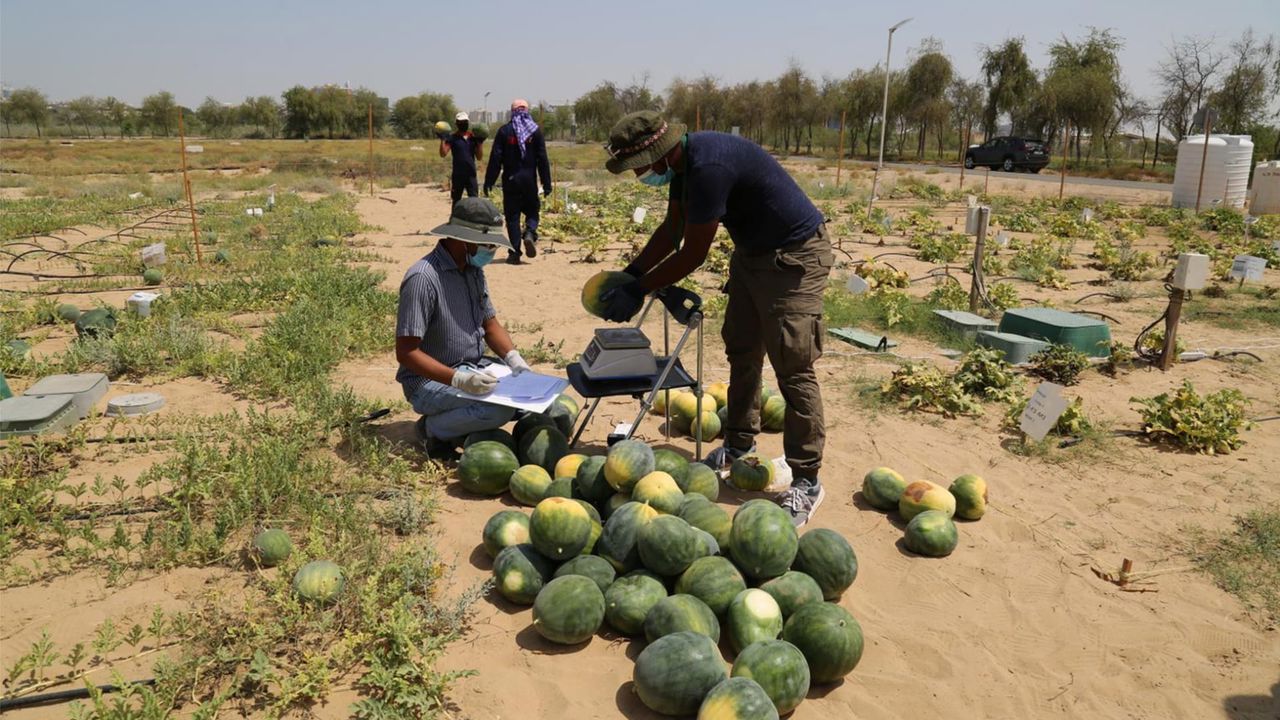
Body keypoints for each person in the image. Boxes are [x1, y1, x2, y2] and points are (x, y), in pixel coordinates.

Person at [599, 110, 832, 527]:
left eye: (638, 168)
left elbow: (693, 253)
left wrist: (640, 289)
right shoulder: (683, 165)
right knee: (743, 350)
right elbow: (673, 229)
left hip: (795, 256)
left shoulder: (708, 166)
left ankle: (807, 479)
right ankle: (739, 446)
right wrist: (632, 274)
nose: (637, 177)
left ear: (660, 155)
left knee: (792, 366)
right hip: (752, 257)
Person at [395, 197, 533, 459]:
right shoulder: (423, 279)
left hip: (474, 367)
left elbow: (490, 324)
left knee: (530, 400)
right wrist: (458, 380)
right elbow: (407, 353)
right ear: (462, 238)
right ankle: (431, 428)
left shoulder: (472, 271)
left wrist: (515, 361)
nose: (491, 251)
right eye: (488, 244)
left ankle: (461, 427)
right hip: (429, 381)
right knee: (498, 410)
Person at [484, 99, 552, 264]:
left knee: (512, 217)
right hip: (529, 180)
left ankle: (514, 253)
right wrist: (547, 183)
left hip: (511, 181)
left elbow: (495, 159)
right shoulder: (535, 132)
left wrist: (489, 181)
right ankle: (529, 231)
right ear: (527, 112)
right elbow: (543, 159)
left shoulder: (504, 131)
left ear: (512, 112)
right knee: (533, 211)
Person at [439, 111, 484, 206]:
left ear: (468, 123)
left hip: (471, 174)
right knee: (456, 201)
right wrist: (443, 139)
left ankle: (473, 220)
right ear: (457, 124)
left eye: (465, 122)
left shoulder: (473, 138)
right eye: (461, 122)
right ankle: (455, 220)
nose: (463, 124)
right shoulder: (452, 138)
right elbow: (443, 154)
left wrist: (480, 143)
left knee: (474, 200)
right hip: (458, 175)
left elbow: (479, 157)